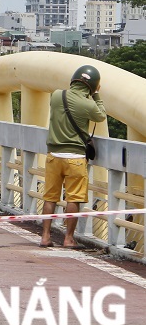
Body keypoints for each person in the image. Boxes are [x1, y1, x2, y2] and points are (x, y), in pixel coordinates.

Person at [40, 64, 107, 248]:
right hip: (75, 158)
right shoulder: (88, 104)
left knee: (50, 197)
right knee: (74, 198)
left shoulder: (56, 95)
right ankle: (68, 238)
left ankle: (45, 237)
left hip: (53, 155)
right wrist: (96, 95)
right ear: (92, 86)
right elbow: (100, 116)